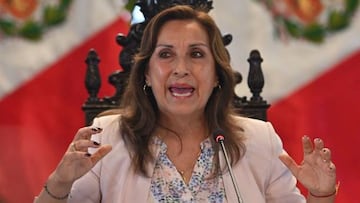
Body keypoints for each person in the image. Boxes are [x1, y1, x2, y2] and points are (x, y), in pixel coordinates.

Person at [34, 5, 337, 203]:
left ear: (217, 73)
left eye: (196, 54)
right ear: (147, 74)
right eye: (165, 55)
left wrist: (321, 195)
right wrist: (59, 182)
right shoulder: (106, 138)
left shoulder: (260, 140)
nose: (181, 68)